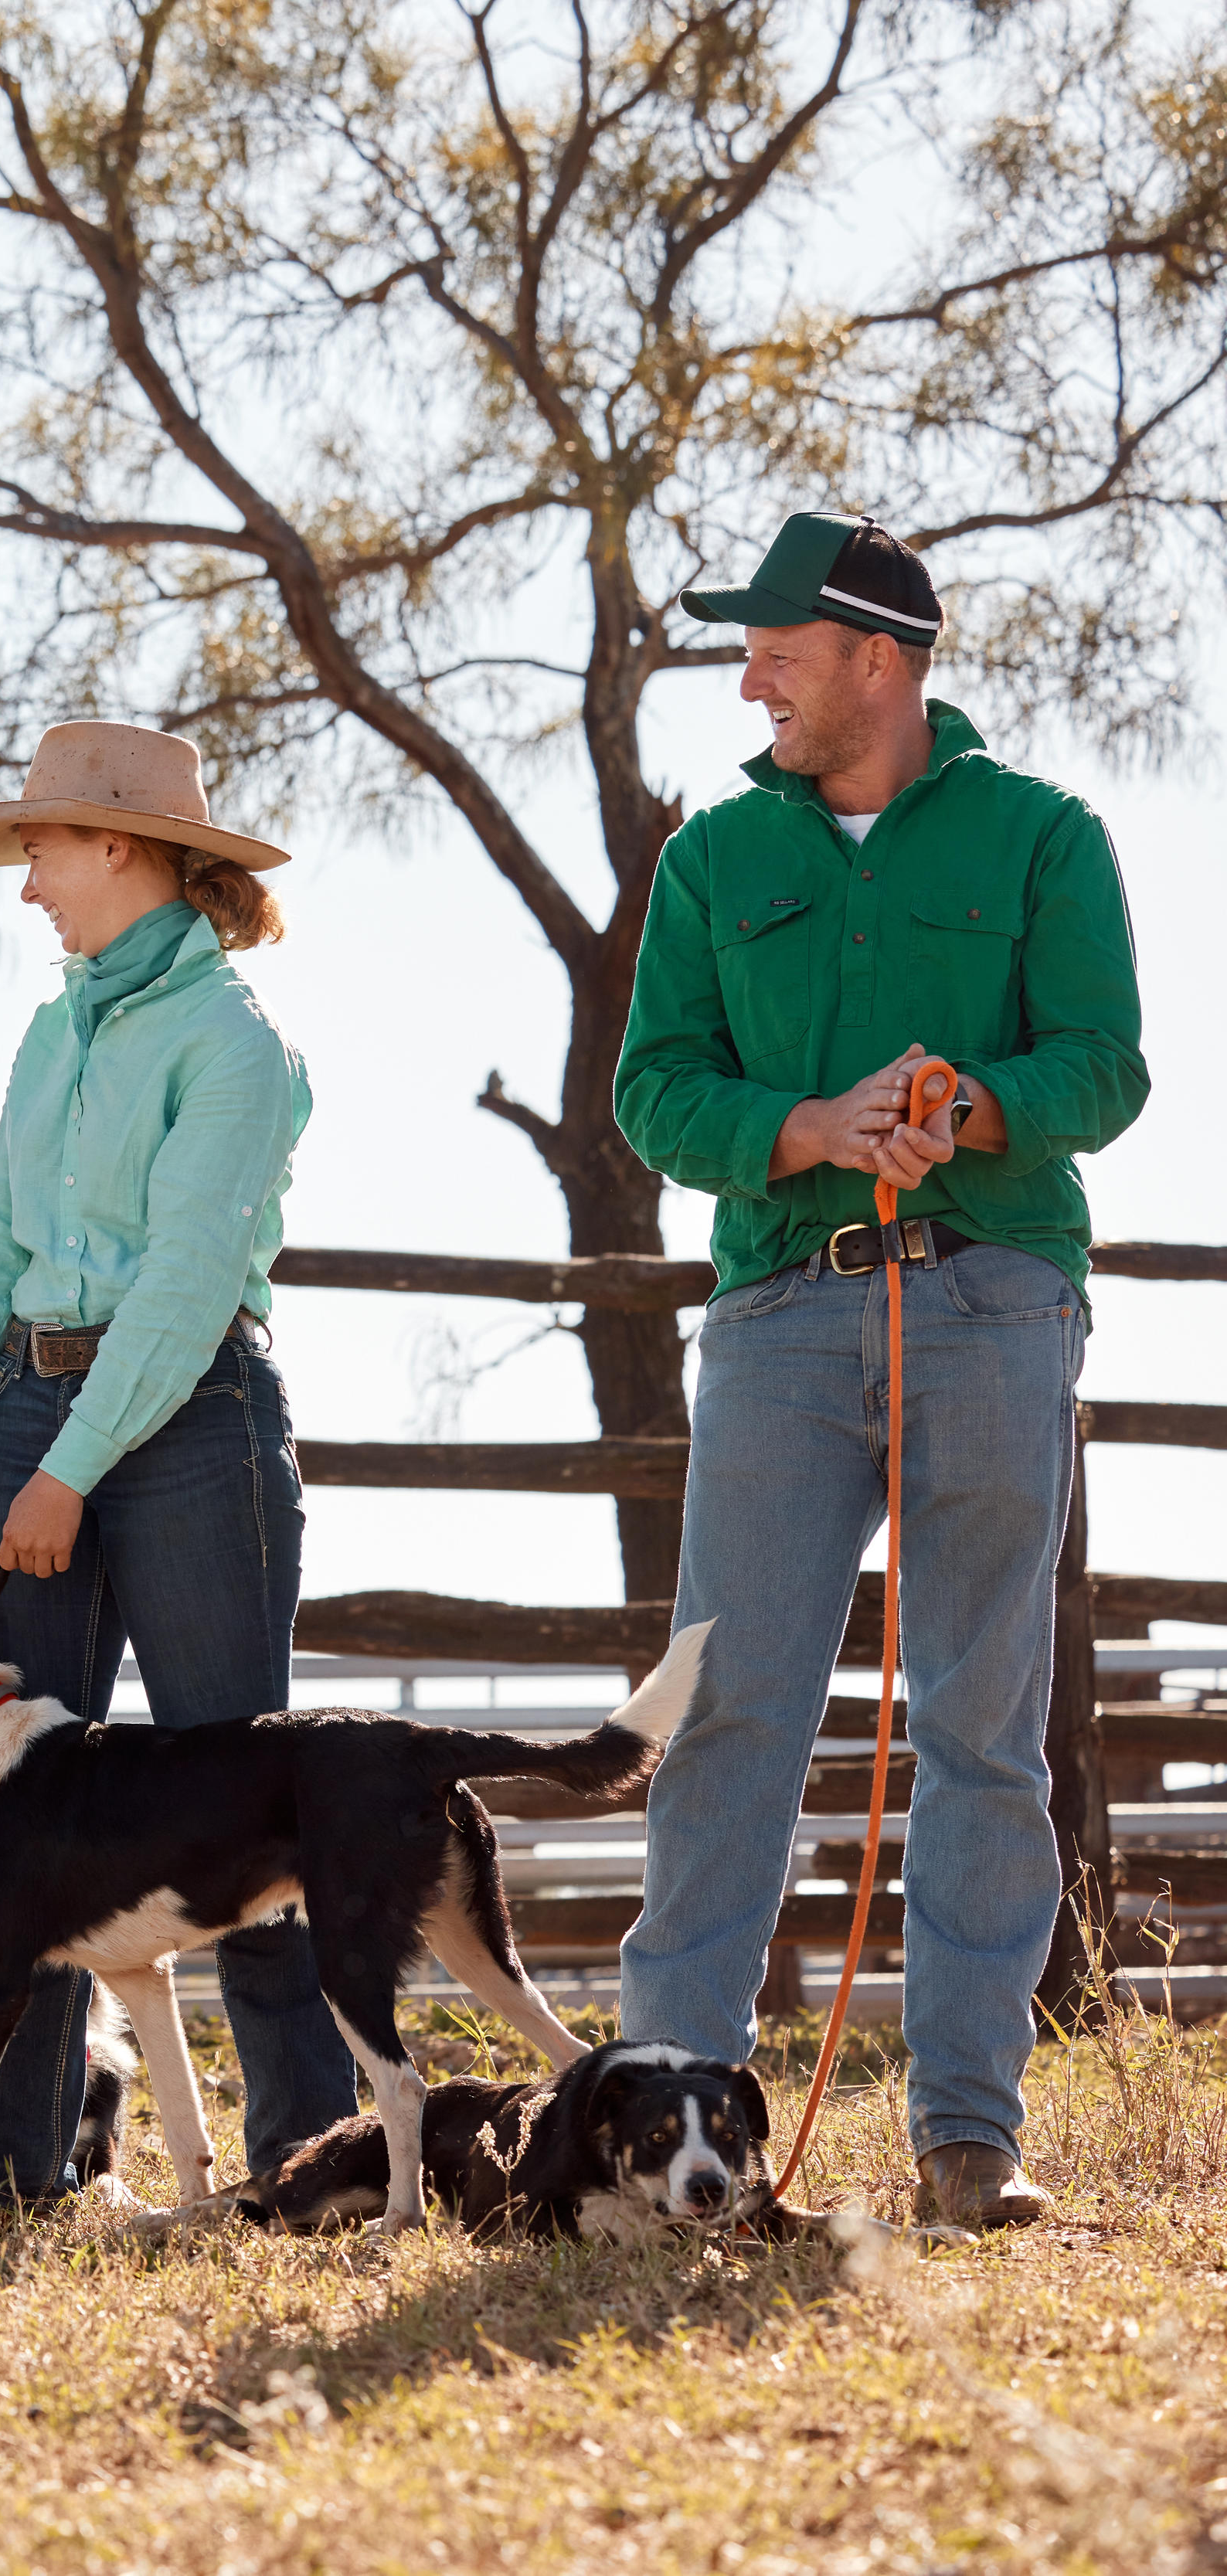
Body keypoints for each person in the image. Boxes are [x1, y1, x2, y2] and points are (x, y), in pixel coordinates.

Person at [615, 511, 1147, 2231]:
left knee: (984, 1729)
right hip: (777, 1318)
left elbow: (1103, 1065)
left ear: (877, 658)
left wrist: (965, 1105)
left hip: (993, 1308)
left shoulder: (1045, 835)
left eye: (777, 642)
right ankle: (657, 2125)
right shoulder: (708, 864)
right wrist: (802, 1125)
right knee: (723, 1721)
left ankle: (965, 2140)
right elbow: (653, 1091)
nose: (748, 671)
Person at [0, 723, 355, 2225]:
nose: (24, 883)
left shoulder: (234, 1045)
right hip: (36, 1417)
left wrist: (72, 1468)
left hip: (186, 1422)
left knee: (250, 1800)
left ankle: (309, 2166)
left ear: (118, 847)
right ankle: (5, 2170)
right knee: (15, 1818)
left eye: (40, 847)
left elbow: (177, 1284)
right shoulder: (53, 1036)